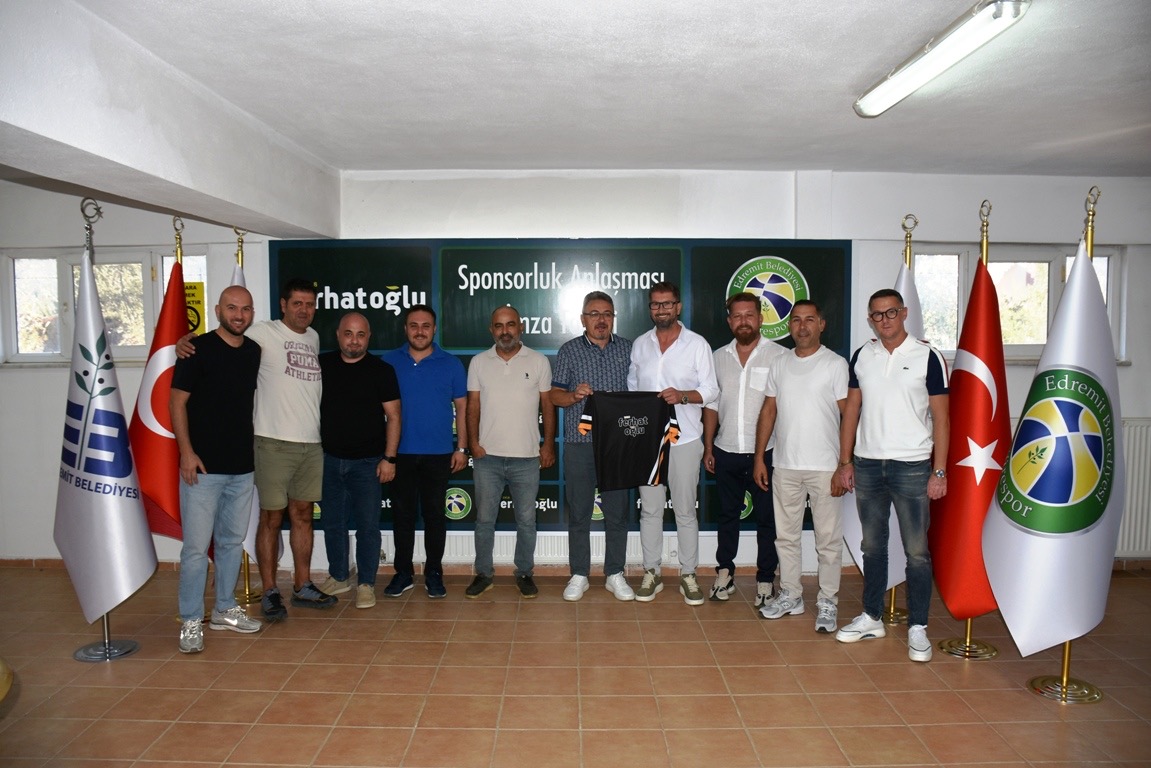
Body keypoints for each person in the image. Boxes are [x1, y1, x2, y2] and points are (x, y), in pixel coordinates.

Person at [835, 288, 949, 662]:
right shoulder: (862, 356)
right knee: (872, 547)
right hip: (868, 465)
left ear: (904, 313)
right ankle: (872, 617)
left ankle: (918, 626)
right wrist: (845, 461)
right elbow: (851, 411)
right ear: (870, 319)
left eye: (891, 312)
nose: (884, 320)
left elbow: (942, 419)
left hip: (912, 466)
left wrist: (939, 471)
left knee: (917, 552)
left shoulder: (928, 356)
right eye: (877, 314)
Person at [171, 285, 263, 653]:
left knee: (230, 543)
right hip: (202, 469)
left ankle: (224, 609)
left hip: (242, 468)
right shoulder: (195, 349)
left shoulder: (254, 351)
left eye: (246, 309)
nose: (239, 315)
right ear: (218, 310)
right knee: (195, 550)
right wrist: (186, 453)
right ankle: (191, 620)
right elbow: (177, 403)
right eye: (232, 308)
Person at [752, 300, 849, 633]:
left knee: (828, 540)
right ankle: (791, 595)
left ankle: (828, 601)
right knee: (786, 537)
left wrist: (844, 464)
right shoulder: (780, 363)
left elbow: (849, 415)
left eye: (810, 319)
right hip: (785, 465)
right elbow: (769, 411)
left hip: (825, 468)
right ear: (789, 326)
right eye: (796, 320)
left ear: (821, 324)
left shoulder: (835, 364)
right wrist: (760, 457)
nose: (802, 326)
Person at [628, 281, 719, 605]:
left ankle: (688, 574)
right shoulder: (640, 344)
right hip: (648, 441)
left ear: (678, 307)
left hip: (686, 439)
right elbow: (632, 387)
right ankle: (651, 572)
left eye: (667, 304)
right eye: (655, 304)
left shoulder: (697, 344)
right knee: (651, 511)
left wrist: (682, 396)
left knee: (685, 511)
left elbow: (711, 391)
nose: (661, 309)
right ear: (650, 308)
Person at [465, 305, 556, 599]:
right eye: (499, 326)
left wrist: (548, 444)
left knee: (527, 522)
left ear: (521, 327)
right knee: (484, 521)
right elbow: (472, 407)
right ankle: (483, 574)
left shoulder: (539, 361)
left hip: (527, 458)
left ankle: (525, 573)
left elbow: (548, 406)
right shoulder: (478, 362)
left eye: (511, 325)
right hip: (487, 458)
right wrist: (473, 444)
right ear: (491, 330)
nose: (505, 331)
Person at [702, 292, 785, 607]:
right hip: (726, 450)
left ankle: (765, 579)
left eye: (749, 315)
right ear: (729, 321)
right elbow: (711, 405)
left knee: (767, 520)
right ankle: (725, 572)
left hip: (767, 453)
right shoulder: (717, 357)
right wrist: (708, 446)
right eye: (737, 316)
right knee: (727, 516)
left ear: (760, 318)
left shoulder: (779, 356)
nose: (743, 321)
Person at [551, 291, 634, 602]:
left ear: (613, 318)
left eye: (607, 314)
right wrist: (573, 395)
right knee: (580, 513)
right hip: (580, 444)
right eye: (594, 314)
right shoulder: (569, 350)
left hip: (618, 445)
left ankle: (614, 573)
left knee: (617, 513)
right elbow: (554, 395)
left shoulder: (628, 349)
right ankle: (579, 574)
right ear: (583, 319)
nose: (601, 320)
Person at [382, 305, 469, 599]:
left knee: (435, 517)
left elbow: (462, 408)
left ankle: (434, 572)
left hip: (439, 454)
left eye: (426, 326)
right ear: (405, 329)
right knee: (402, 517)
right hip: (399, 454)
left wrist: (461, 447)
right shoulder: (389, 362)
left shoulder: (451, 364)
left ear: (435, 329)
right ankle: (403, 573)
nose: (420, 331)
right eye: (414, 325)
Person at [317, 312, 401, 609]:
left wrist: (389, 458)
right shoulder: (321, 365)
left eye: (360, 334)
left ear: (369, 337)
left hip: (368, 463)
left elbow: (394, 416)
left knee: (368, 528)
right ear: (338, 335)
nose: (354, 340)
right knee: (333, 524)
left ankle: (366, 583)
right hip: (328, 460)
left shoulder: (382, 370)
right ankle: (339, 577)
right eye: (348, 333)